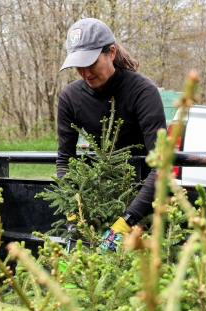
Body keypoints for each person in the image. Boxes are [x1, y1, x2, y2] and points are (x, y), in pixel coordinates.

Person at [57, 18, 167, 251]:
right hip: (98, 200)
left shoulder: (143, 92)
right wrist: (74, 212)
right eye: (78, 65)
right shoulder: (70, 97)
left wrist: (126, 222)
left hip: (144, 202)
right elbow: (64, 160)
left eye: (91, 63)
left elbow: (161, 166)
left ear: (111, 52)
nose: (85, 73)